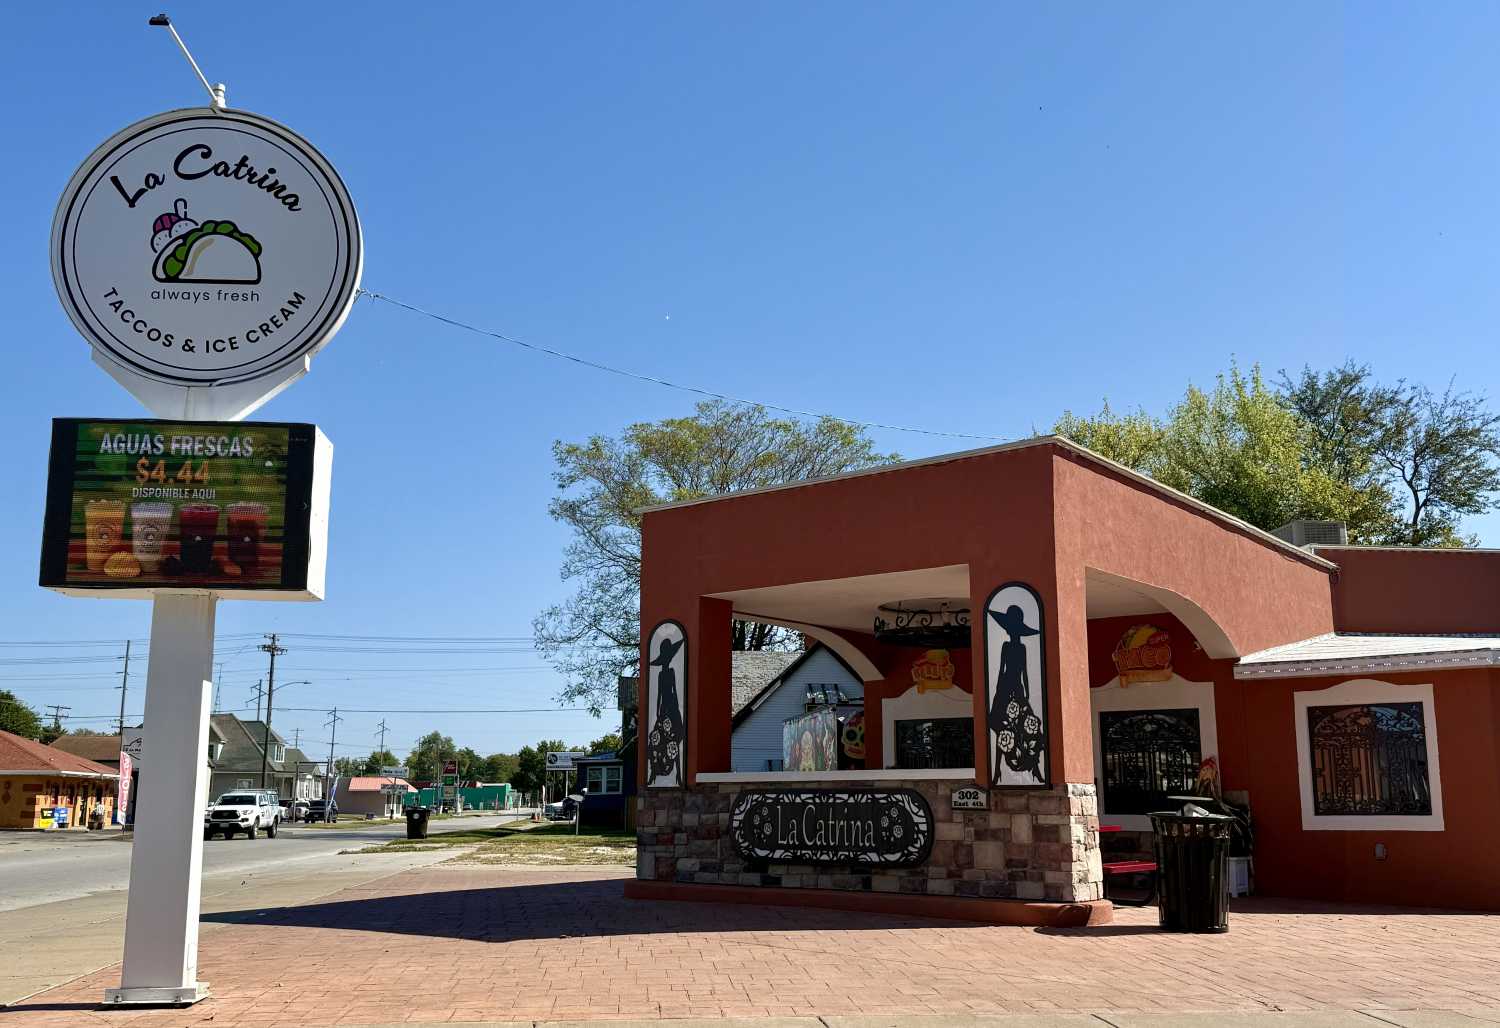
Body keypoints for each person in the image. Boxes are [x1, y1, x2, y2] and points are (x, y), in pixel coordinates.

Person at [988, 602, 1045, 782]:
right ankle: (996, 770)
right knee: (1003, 728)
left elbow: (1025, 672)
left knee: (1026, 728)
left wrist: (1027, 693)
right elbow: (1001, 670)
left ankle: (1034, 768)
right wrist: (997, 691)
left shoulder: (1021, 648)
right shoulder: (1007, 647)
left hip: (1015, 689)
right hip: (1006, 688)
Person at [646, 633, 686, 784]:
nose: (665, 662)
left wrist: (676, 709)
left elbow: (675, 691)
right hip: (663, 710)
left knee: (674, 739)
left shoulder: (671, 672)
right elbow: (659, 695)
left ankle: (679, 775)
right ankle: (654, 772)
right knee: (655, 739)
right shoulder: (661, 674)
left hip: (673, 708)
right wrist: (657, 711)